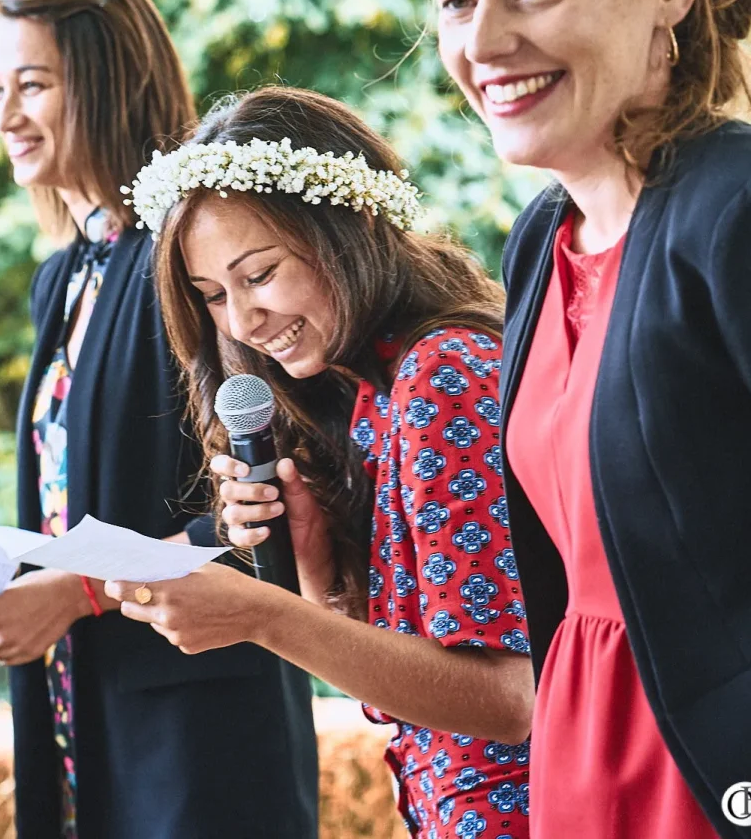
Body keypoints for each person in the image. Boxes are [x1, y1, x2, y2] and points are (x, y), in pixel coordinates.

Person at [424, 0, 751, 835]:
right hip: (580, 772)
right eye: (456, 3)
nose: (481, 46)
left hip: (701, 786)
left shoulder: (734, 211)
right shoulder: (540, 240)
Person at [0, 0, 318, 839]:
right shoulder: (63, 278)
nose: (4, 115)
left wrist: (76, 592)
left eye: (32, 84)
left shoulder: (194, 264)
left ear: (111, 83)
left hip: (198, 727)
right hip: (84, 708)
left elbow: (266, 511)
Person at [106, 86, 534, 839]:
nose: (241, 322)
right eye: (212, 296)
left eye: (260, 274)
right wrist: (312, 570)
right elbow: (415, 672)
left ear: (350, 227)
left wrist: (261, 615)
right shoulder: (372, 394)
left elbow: (505, 702)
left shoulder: (443, 374)